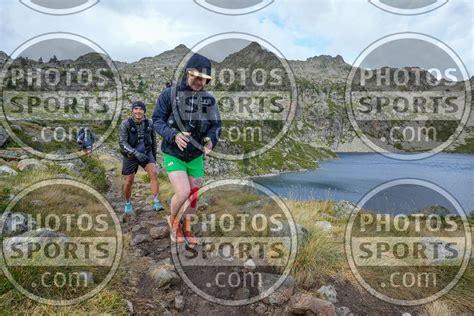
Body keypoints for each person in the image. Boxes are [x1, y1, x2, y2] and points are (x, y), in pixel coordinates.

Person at [153, 53, 221, 245]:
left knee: (193, 197)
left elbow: (216, 125)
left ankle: (188, 227)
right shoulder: (169, 95)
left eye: (204, 79)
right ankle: (173, 221)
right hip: (173, 152)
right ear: (187, 73)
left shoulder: (209, 100)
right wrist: (173, 135)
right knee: (183, 192)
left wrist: (211, 140)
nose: (200, 82)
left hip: (196, 155)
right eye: (196, 77)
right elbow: (157, 121)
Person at [119, 101, 164, 215]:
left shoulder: (150, 123)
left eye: (141, 109)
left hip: (146, 151)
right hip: (130, 154)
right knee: (129, 181)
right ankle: (128, 203)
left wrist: (153, 157)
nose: (138, 111)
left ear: (144, 111)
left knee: (153, 173)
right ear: (133, 110)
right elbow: (122, 142)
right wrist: (135, 153)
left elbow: (153, 141)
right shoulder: (126, 123)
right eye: (136, 109)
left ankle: (156, 201)